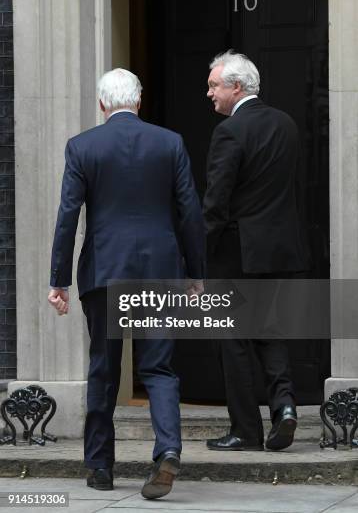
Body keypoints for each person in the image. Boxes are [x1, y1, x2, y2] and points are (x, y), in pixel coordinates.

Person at [48, 68, 205, 497]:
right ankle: (167, 450)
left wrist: (58, 279)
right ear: (139, 100)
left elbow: (67, 216)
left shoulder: (82, 146)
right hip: (160, 268)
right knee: (158, 367)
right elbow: (189, 211)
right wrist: (195, 272)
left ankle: (100, 467)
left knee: (104, 367)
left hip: (105, 270)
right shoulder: (169, 143)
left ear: (102, 105)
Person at [203, 51, 310, 452]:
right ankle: (284, 408)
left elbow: (216, 201)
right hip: (279, 250)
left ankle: (245, 430)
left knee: (233, 341)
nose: (209, 92)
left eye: (215, 85)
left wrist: (201, 254)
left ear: (237, 87)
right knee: (271, 332)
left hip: (237, 252)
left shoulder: (230, 132)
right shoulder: (286, 124)